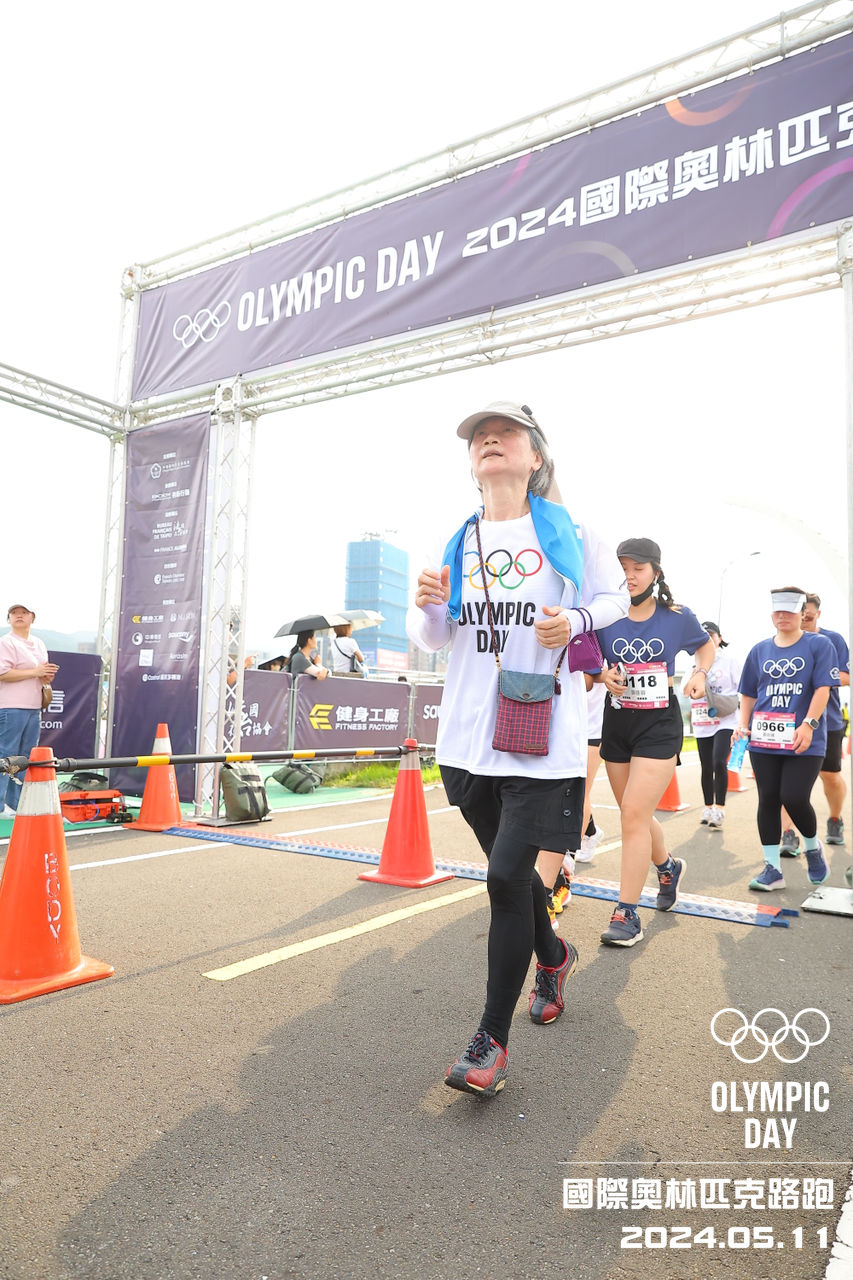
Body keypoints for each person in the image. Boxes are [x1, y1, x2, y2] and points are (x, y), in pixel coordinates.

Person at [407, 400, 628, 1097]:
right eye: (479, 435)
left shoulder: (572, 532)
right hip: (466, 739)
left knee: (505, 877)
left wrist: (577, 620)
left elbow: (614, 597)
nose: (489, 440)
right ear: (471, 462)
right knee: (513, 876)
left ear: (535, 458)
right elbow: (434, 637)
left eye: (505, 433)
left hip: (542, 736)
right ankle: (553, 955)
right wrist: (426, 604)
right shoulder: (456, 541)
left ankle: (490, 1044)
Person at [595, 539, 715, 947]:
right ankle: (668, 867)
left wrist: (699, 673)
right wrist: (602, 675)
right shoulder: (605, 614)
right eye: (623, 568)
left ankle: (627, 914)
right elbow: (589, 667)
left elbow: (705, 646)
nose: (629, 576)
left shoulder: (677, 617)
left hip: (659, 723)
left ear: (656, 572)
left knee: (632, 813)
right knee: (637, 815)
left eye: (638, 568)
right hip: (617, 720)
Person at [734, 587, 837, 891]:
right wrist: (742, 725)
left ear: (803, 613)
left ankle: (812, 847)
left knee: (793, 796)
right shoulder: (759, 650)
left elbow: (823, 689)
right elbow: (749, 693)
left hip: (804, 739)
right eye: (777, 610)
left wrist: (808, 723)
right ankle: (772, 869)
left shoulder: (820, 645)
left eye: (789, 610)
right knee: (768, 799)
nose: (782, 616)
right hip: (763, 738)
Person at [0, 604, 59, 815]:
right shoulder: (6, 642)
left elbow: (42, 674)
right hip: (11, 707)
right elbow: (2, 673)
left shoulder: (39, 643)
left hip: (34, 707)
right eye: (14, 613)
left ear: (32, 618)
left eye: (24, 613)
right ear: (9, 619)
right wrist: (35, 671)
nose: (19, 616)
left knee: (25, 757)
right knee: (6, 755)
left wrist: (46, 676)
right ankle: (0, 805)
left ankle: (16, 804)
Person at [690, 621, 743, 830]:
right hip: (703, 722)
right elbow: (686, 690)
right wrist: (697, 673)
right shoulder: (695, 662)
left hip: (726, 720)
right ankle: (707, 807)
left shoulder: (730, 661)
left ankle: (719, 808)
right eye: (703, 635)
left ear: (719, 638)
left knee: (719, 762)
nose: (708, 639)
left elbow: (743, 687)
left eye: (711, 635)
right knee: (706, 766)